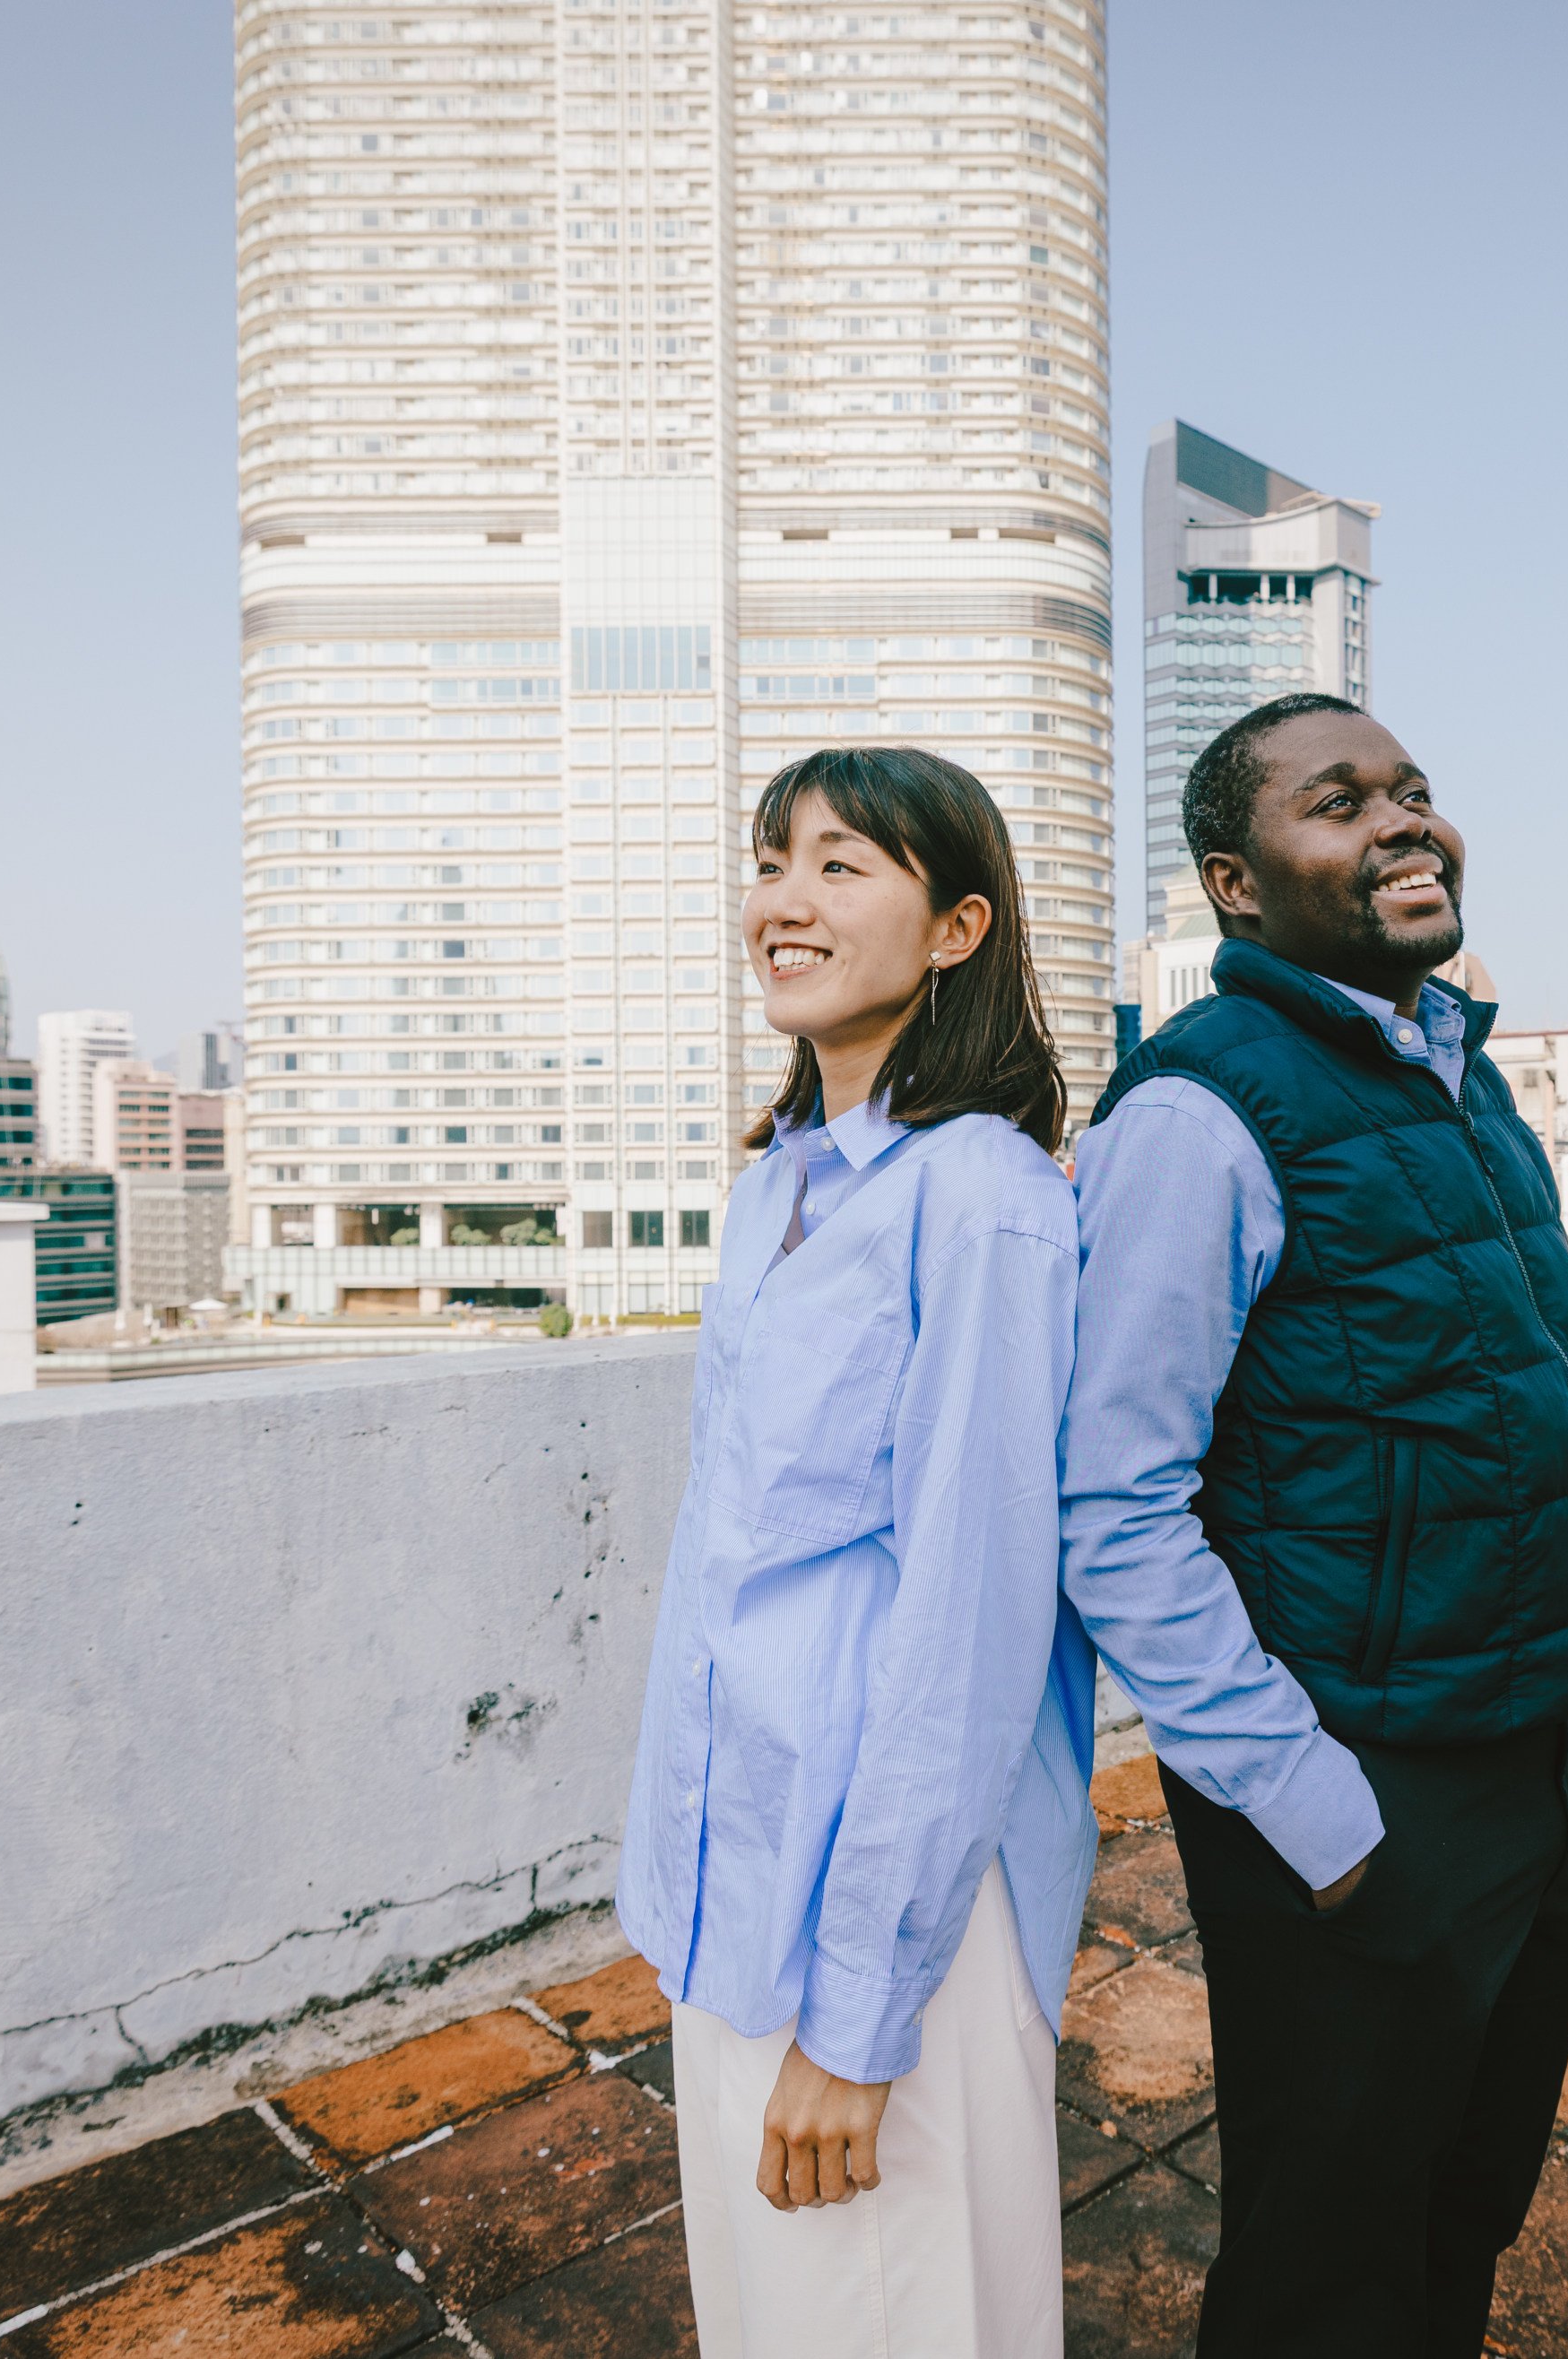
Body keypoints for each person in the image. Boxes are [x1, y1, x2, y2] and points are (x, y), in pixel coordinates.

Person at [1061, 693, 1568, 2357]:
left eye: (1416, 792)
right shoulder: (1198, 1113)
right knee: (1327, 2265)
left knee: (1464, 2209)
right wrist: (1309, 1803)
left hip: (1525, 1749)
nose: (1402, 823)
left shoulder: (1460, 1069)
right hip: (1353, 1783)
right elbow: (1113, 1504)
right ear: (1239, 887)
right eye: (1338, 803)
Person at [617, 746, 1089, 2358]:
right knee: (768, 2314)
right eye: (773, 859)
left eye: (842, 864)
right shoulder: (774, 1189)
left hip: (900, 1920)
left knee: (899, 2316)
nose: (785, 901)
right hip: (737, 1873)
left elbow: (973, 1625)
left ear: (955, 930)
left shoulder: (986, 1202)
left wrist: (859, 2017)